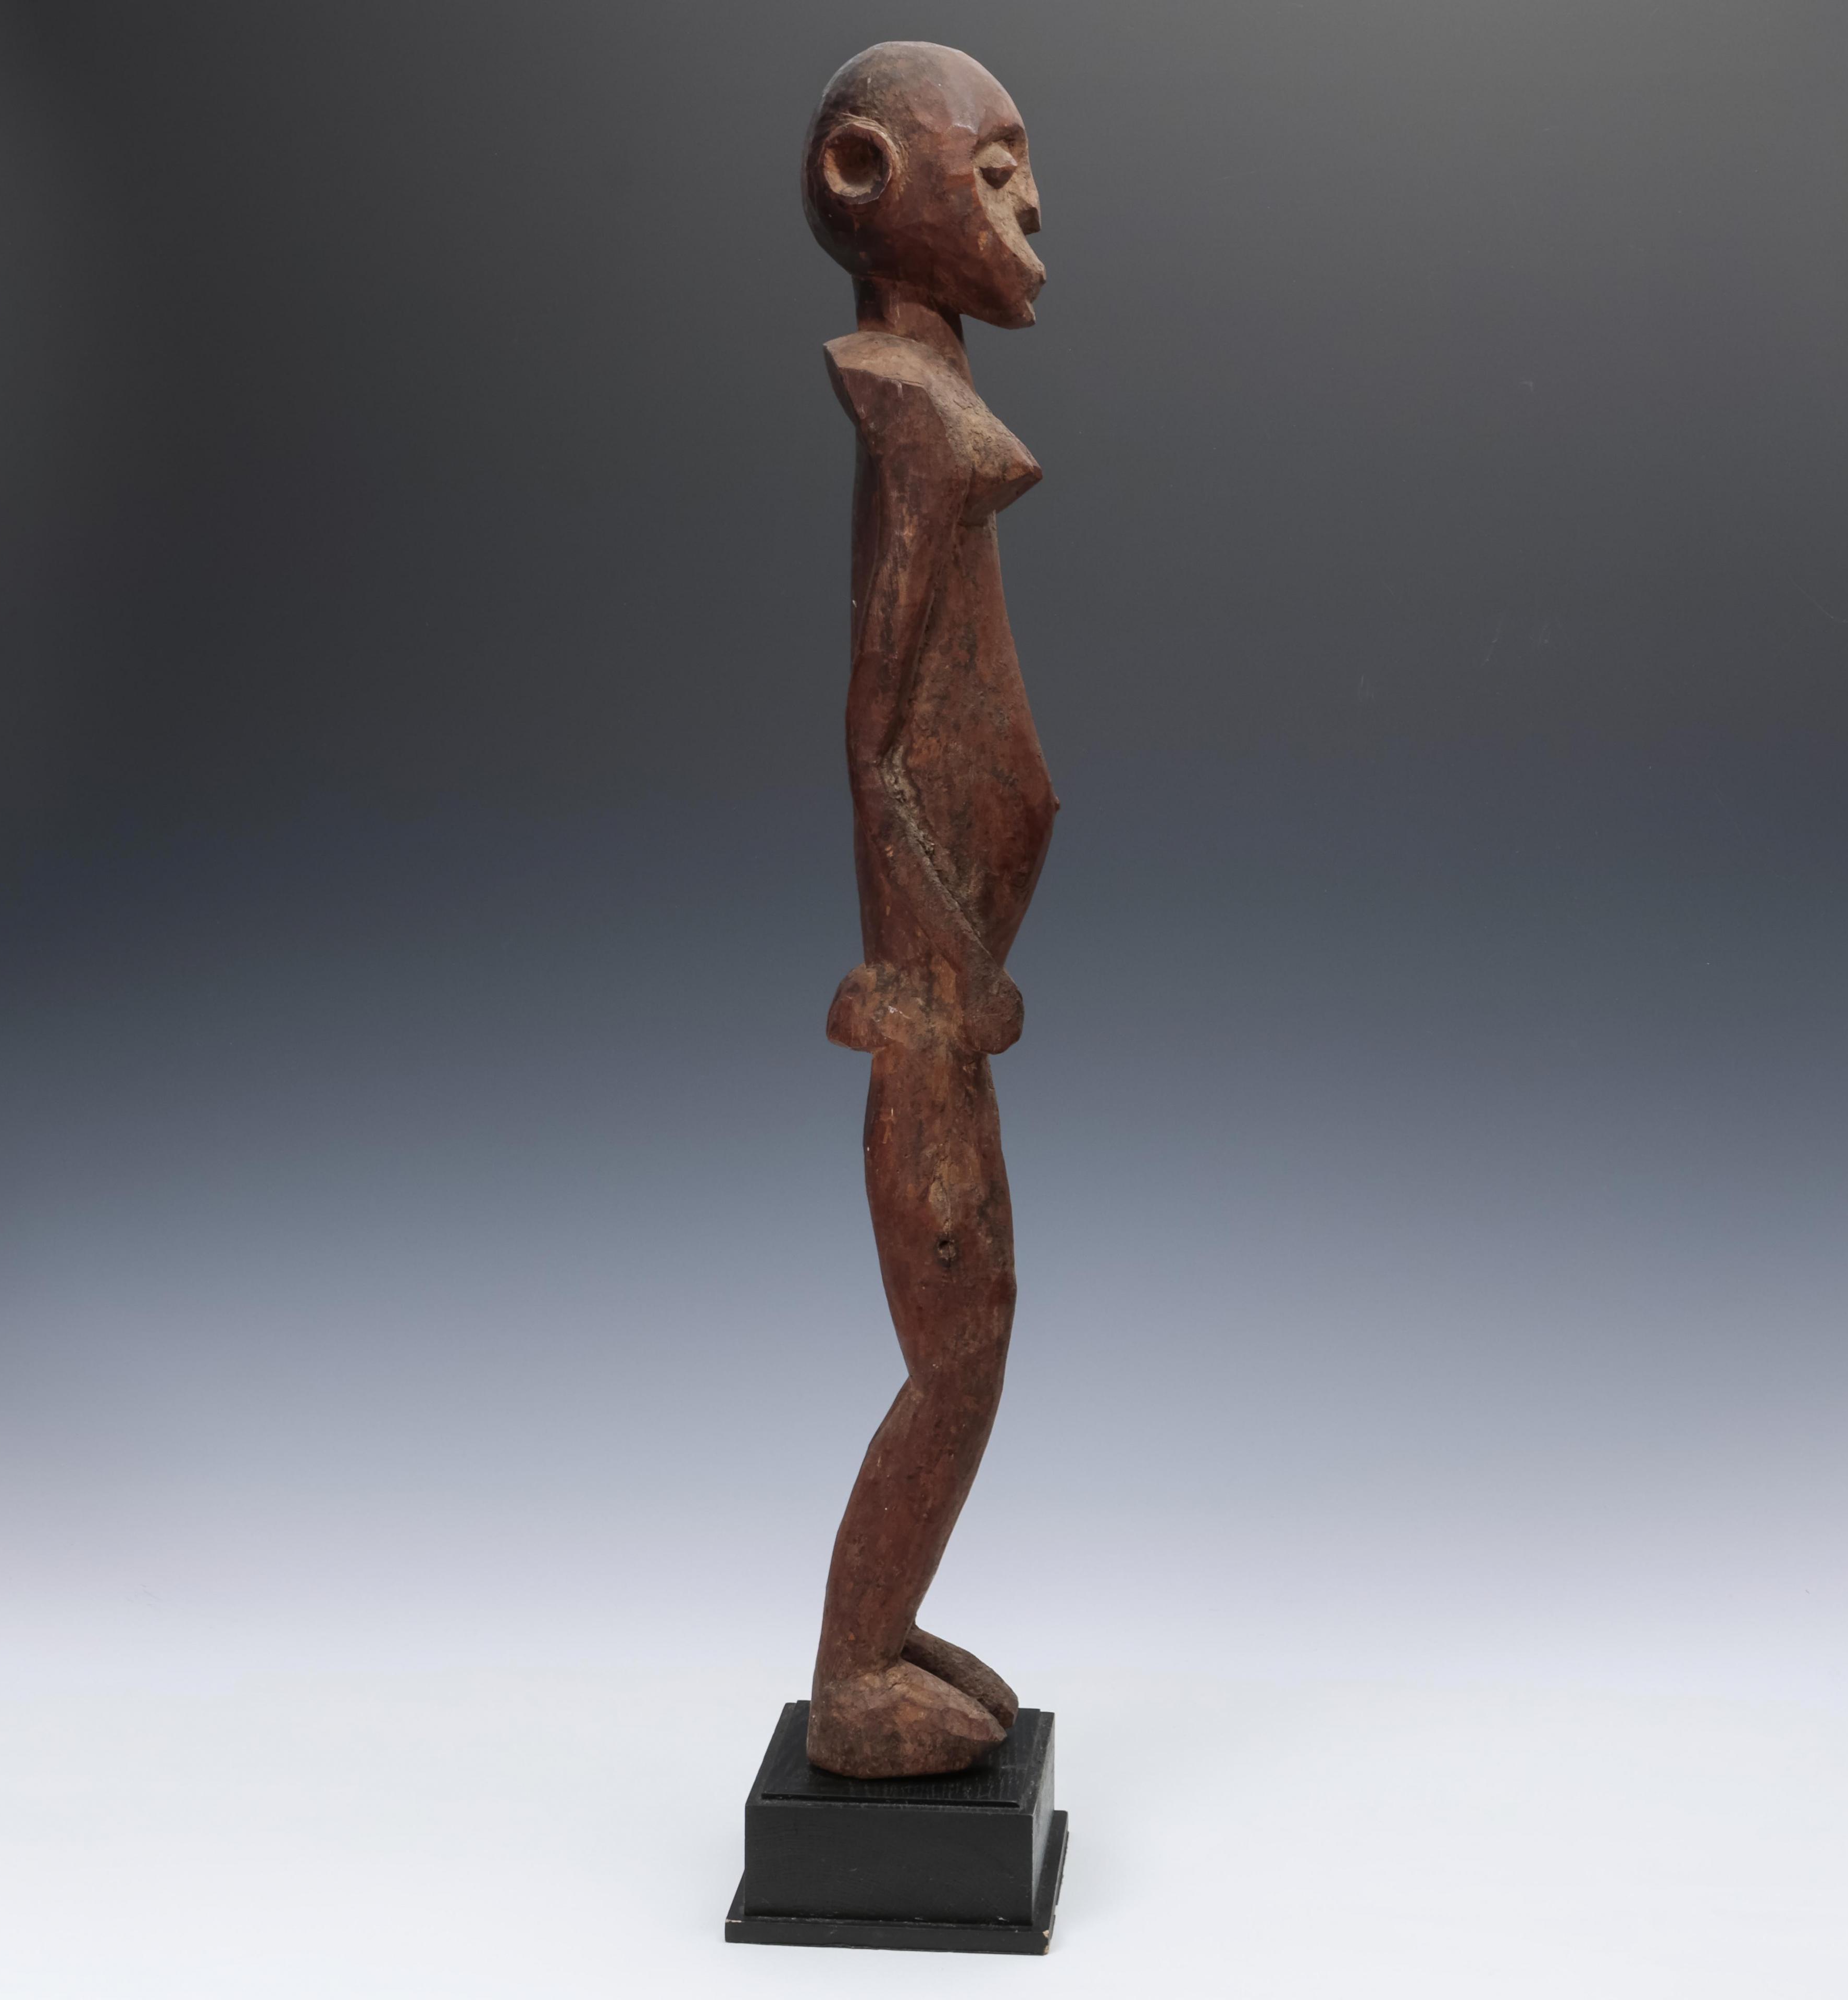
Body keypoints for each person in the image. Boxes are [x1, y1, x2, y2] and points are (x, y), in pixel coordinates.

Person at [801, 41, 1060, 1779]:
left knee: (971, 1334)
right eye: (997, 172)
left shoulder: (926, 394)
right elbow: (876, 730)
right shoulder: (912, 414)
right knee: (961, 1345)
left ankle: (886, 1638)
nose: (1031, 214)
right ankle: (849, 1680)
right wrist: (949, 965)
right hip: (930, 994)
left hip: (948, 984)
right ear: (868, 179)